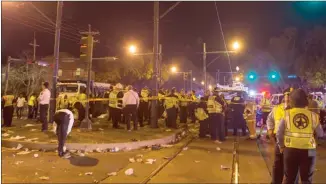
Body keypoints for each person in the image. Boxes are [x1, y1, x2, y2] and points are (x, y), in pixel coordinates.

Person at [276, 89, 324, 184]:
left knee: (289, 178)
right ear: (306, 101)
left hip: (290, 149)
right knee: (307, 179)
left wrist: (281, 146)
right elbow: (320, 134)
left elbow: (279, 133)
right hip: (309, 150)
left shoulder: (287, 114)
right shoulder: (314, 116)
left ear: (292, 101)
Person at [267, 89, 292, 184]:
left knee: (291, 166)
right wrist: (270, 129)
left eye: (289, 99)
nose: (287, 101)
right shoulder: (277, 109)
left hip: (292, 141)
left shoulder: (297, 110)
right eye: (286, 98)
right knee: (278, 164)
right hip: (279, 140)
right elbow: (270, 119)